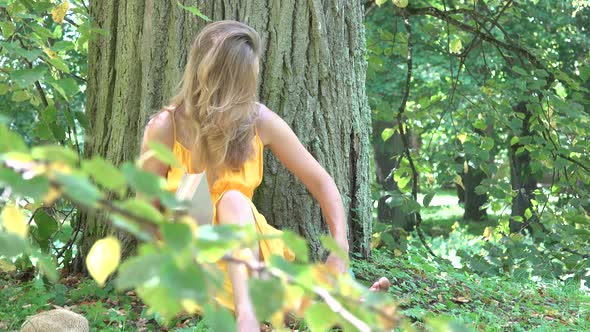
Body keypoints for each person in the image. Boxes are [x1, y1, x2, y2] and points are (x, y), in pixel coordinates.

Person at [141, 20, 389, 331]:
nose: (251, 90)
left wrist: (340, 249)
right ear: (222, 84)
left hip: (248, 250)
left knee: (232, 201)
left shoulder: (258, 120)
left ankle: (255, 313)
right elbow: (146, 213)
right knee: (205, 200)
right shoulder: (166, 127)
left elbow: (323, 183)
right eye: (247, 82)